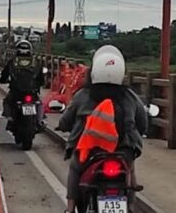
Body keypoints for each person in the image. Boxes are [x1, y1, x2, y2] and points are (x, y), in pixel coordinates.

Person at [57, 45, 148, 213]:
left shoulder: (83, 95)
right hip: (123, 150)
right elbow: (142, 122)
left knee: (75, 168)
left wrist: (63, 125)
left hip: (90, 151)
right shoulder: (130, 96)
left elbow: (67, 119)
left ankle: (70, 208)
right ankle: (131, 206)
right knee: (130, 168)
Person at [0, 40, 44, 129]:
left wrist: (3, 80)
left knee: (7, 102)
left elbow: (4, 74)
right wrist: (40, 84)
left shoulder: (13, 61)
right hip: (32, 91)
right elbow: (41, 77)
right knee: (39, 103)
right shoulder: (36, 62)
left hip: (16, 91)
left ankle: (10, 119)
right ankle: (40, 121)